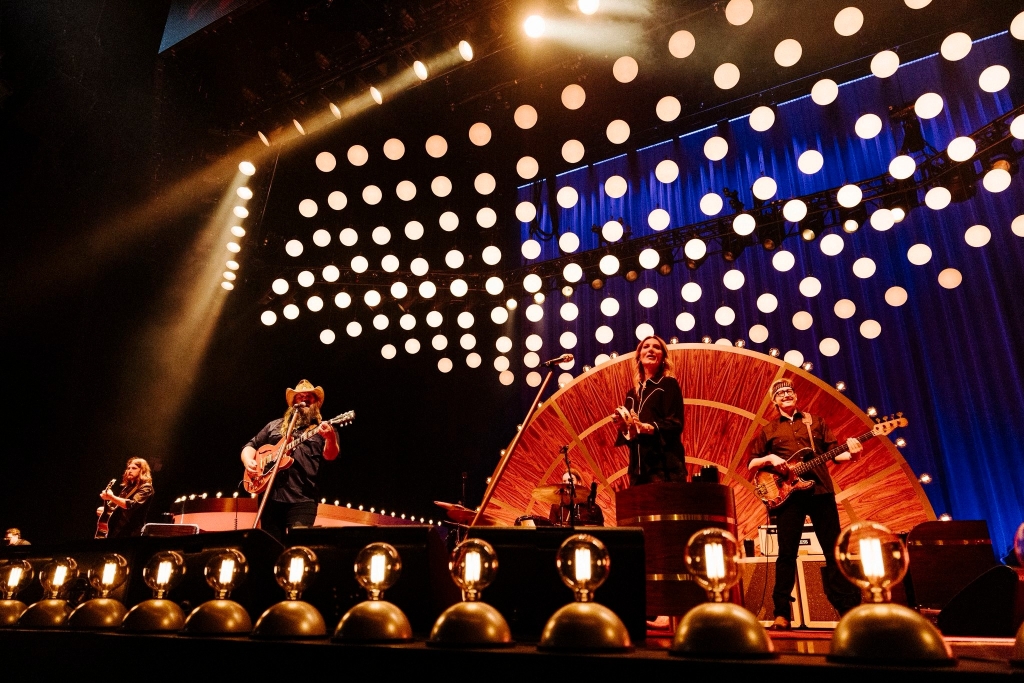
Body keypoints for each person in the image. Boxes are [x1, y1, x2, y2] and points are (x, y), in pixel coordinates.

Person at [748, 379, 863, 629]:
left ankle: (847, 611)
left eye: (789, 391)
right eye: (780, 393)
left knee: (834, 551)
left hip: (821, 492)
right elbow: (751, 463)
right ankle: (782, 613)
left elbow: (837, 454)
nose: (786, 394)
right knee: (786, 554)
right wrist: (770, 457)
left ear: (796, 396)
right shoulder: (769, 430)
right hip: (788, 497)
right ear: (774, 401)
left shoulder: (816, 422)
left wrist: (854, 453)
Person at [241, 379, 339, 540]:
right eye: (300, 396)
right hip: (270, 497)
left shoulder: (324, 428)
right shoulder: (274, 426)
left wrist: (330, 437)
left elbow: (330, 455)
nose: (304, 399)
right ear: (293, 402)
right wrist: (248, 461)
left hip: (303, 499)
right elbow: (251, 446)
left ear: (316, 402)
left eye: (309, 396)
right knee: (271, 545)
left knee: (298, 543)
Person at [611, 335, 686, 486]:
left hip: (664, 468)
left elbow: (675, 423)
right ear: (639, 356)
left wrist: (648, 428)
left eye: (656, 347)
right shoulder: (632, 394)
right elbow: (631, 437)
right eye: (646, 346)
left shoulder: (668, 384)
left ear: (663, 357)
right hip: (637, 470)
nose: (651, 349)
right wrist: (624, 426)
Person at [99, 458, 155, 538]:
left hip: (130, 532)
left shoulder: (146, 487)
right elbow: (118, 506)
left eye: (134, 468)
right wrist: (105, 510)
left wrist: (111, 497)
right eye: (128, 468)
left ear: (142, 471)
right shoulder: (127, 487)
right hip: (116, 530)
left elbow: (131, 505)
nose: (129, 471)